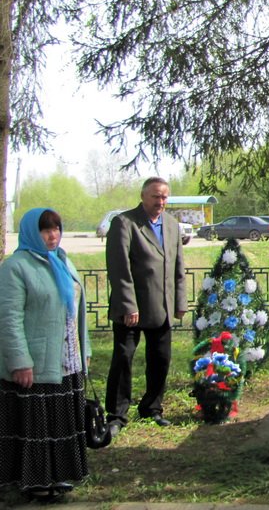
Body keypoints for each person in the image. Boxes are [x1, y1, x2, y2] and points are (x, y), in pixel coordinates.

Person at [0, 208, 90, 501]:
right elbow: (8, 318)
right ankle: (34, 481)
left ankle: (57, 475)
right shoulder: (16, 266)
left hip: (66, 359)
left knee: (62, 420)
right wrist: (19, 361)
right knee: (36, 424)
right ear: (31, 233)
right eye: (45, 230)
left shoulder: (63, 261)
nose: (53, 235)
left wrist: (84, 350)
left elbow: (76, 311)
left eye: (56, 228)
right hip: (36, 362)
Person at [106, 177, 187, 433]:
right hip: (132, 308)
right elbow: (119, 269)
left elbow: (178, 267)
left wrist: (180, 301)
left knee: (160, 359)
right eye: (155, 197)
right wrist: (129, 305)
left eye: (164, 197)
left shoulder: (172, 226)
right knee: (123, 359)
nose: (160, 202)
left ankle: (152, 407)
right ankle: (117, 414)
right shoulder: (124, 223)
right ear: (143, 196)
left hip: (161, 306)